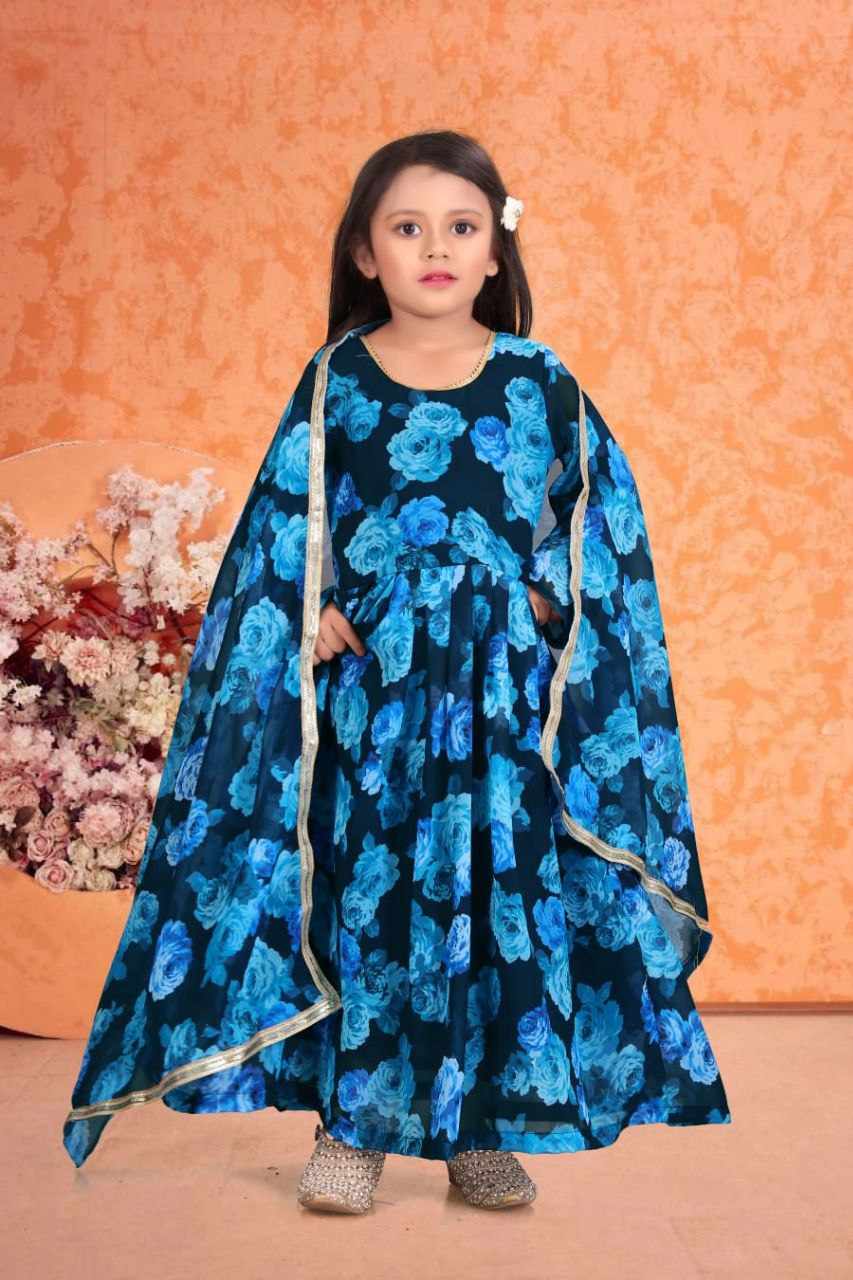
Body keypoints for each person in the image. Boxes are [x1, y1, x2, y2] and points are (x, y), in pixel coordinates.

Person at [61, 130, 731, 1212]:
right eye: (407, 228)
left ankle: (479, 1126)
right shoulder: (337, 380)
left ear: (495, 252)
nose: (435, 248)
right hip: (374, 707)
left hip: (502, 710)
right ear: (365, 253)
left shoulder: (539, 383)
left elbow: (599, 527)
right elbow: (283, 524)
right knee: (370, 897)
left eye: (460, 227)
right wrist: (311, 608)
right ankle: (353, 1127)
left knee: (496, 895)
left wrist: (547, 602)